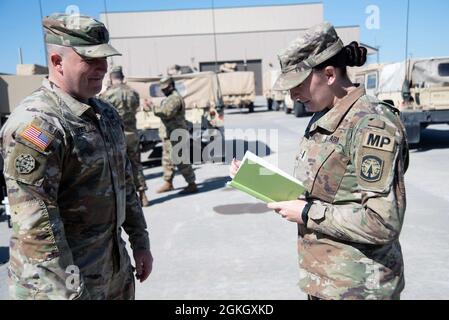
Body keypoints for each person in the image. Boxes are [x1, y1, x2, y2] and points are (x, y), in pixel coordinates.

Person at [230, 21, 409, 300]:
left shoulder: (371, 124)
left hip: (361, 288)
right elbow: (325, 188)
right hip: (327, 282)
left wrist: (305, 213)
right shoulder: (325, 114)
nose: (292, 95)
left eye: (298, 85)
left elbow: (382, 221)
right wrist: (259, 178)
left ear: (328, 74)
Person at [0, 13, 153, 300]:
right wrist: (69, 293)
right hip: (61, 285)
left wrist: (140, 241)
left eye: (104, 58)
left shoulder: (105, 113)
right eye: (89, 59)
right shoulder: (38, 125)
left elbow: (125, 182)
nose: (102, 68)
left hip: (113, 271)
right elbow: (36, 226)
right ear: (57, 62)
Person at [100, 66, 150, 207]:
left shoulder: (107, 95)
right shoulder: (133, 92)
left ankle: (125, 201)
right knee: (136, 164)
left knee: (118, 168)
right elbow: (135, 109)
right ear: (122, 77)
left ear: (111, 77)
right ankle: (143, 195)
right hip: (132, 134)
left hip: (116, 136)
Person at [153, 76, 197, 194]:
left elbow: (166, 113)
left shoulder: (174, 98)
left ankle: (191, 183)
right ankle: (168, 182)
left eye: (165, 88)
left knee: (181, 160)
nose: (163, 91)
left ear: (171, 86)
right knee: (167, 160)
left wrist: (152, 108)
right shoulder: (169, 98)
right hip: (170, 134)